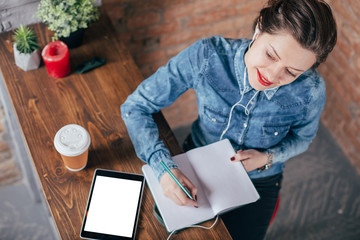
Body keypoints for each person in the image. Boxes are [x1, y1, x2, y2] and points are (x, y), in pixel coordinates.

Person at [121, 0, 337, 239]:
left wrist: (267, 158)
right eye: (270, 55)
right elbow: (136, 106)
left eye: (292, 72)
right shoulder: (206, 55)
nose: (272, 75)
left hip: (261, 180)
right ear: (260, 27)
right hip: (196, 162)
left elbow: (303, 138)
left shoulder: (311, 91)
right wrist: (163, 168)